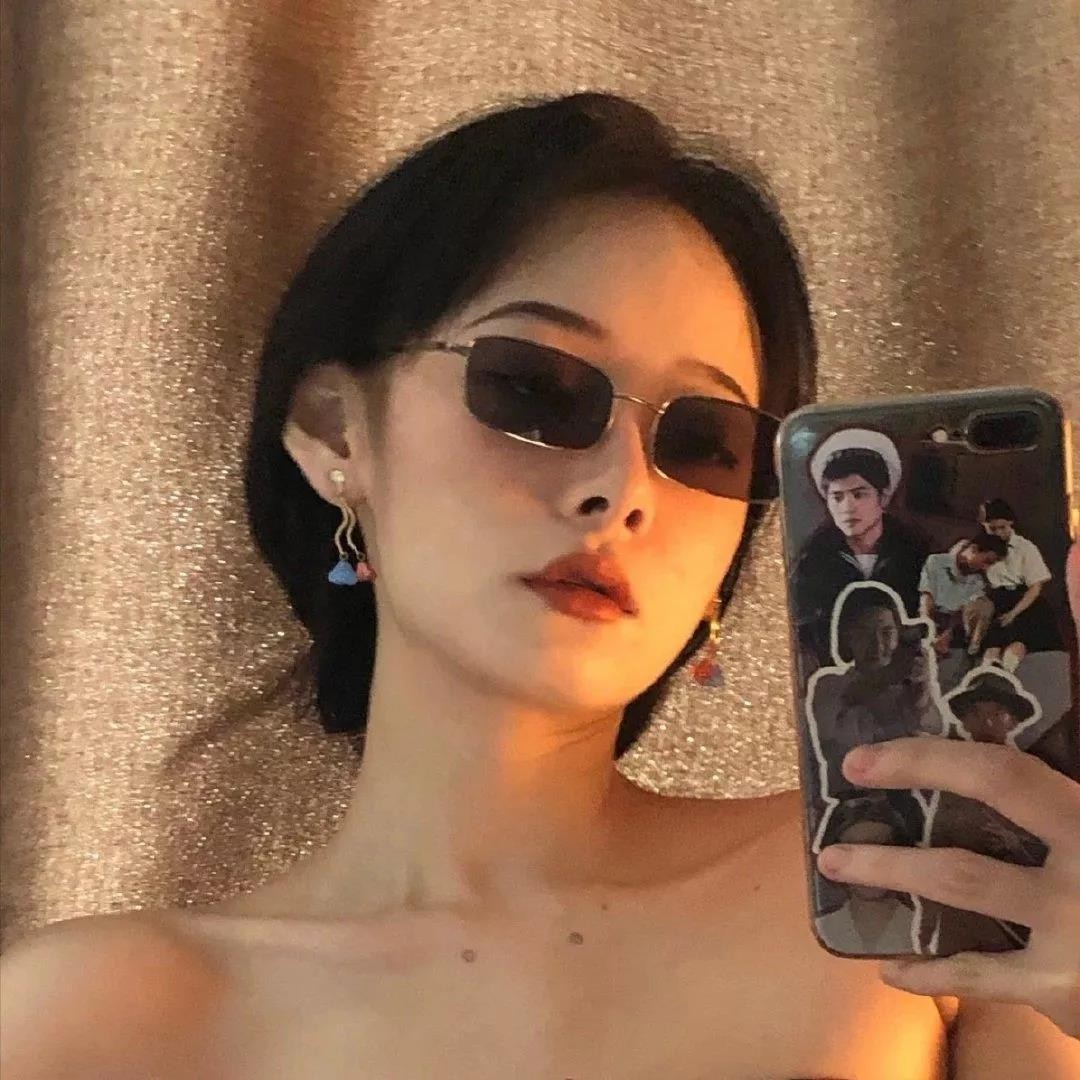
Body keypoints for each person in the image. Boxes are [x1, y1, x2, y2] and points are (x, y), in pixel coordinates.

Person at [3, 93, 1079, 1075]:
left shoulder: (913, 887)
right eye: (533, 388)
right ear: (335, 431)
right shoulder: (95, 1021)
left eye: (704, 443)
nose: (623, 490)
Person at [917, 670, 1048, 957]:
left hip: (1016, 918)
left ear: (1013, 720)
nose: (987, 723)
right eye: (976, 713)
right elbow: (937, 842)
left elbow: (1054, 852)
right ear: (965, 720)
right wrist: (925, 927)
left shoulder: (1037, 775)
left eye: (998, 713)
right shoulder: (952, 779)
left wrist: (1014, 844)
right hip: (958, 917)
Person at [806, 583, 938, 854]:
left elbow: (932, 734)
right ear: (847, 637)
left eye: (887, 632)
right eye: (864, 633)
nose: (877, 644)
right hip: (852, 809)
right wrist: (891, 677)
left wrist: (922, 688)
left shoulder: (906, 687)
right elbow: (839, 734)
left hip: (905, 805)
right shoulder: (828, 685)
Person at [791, 430, 930, 667]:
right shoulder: (812, 560)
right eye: (837, 497)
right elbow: (804, 633)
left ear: (883, 497)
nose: (847, 507)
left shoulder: (914, 552)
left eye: (859, 494)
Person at [814, 796, 919, 956]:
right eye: (852, 854)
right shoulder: (825, 928)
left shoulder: (923, 930)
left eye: (881, 851)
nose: (868, 866)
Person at [977, 498, 1064, 671]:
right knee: (992, 646)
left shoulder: (1025, 547)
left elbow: (1035, 587)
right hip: (995, 602)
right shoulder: (980, 548)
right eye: (992, 529)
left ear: (1010, 523)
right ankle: (989, 674)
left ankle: (1008, 672)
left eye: (1002, 527)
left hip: (1024, 603)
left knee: (1018, 642)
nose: (998, 533)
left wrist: (1014, 612)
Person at [918, 533, 1008, 658]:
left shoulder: (978, 580)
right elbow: (927, 597)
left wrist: (947, 635)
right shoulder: (936, 561)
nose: (985, 567)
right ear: (974, 549)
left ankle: (970, 651)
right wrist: (929, 631)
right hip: (929, 619)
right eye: (986, 561)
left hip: (955, 627)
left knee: (985, 606)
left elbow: (963, 613)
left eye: (990, 565)